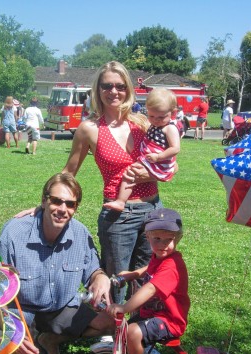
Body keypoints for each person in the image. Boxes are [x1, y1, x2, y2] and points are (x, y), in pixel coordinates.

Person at [16, 61, 165, 305]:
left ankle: (139, 330)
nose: (113, 92)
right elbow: (69, 172)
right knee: (116, 278)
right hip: (120, 217)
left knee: (147, 274)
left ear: (128, 89)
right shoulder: (89, 129)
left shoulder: (143, 123)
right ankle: (110, 331)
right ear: (98, 90)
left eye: (119, 86)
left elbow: (172, 166)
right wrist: (44, 204)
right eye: (107, 86)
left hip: (153, 209)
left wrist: (148, 175)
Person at [0, 173, 115, 354]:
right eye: (56, 201)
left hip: (59, 310)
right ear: (44, 201)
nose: (63, 209)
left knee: (110, 321)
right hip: (18, 314)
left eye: (70, 204)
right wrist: (15, 335)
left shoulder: (80, 234)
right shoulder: (14, 233)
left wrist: (101, 278)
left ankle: (48, 340)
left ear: (76, 207)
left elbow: (94, 271)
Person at [105, 208, 190, 354]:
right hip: (152, 313)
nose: (162, 245)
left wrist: (125, 307)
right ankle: (142, 347)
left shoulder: (172, 266)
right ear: (148, 237)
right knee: (126, 329)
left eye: (169, 240)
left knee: (133, 332)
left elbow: (150, 288)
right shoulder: (159, 256)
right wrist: (133, 274)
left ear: (178, 239)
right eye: (157, 239)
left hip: (169, 320)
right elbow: (150, 269)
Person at [103, 88, 180, 212]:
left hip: (159, 160)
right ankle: (121, 201)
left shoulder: (169, 128)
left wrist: (158, 157)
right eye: (151, 116)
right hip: (150, 158)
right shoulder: (154, 125)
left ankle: (120, 201)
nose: (156, 120)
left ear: (173, 113)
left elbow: (175, 148)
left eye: (161, 117)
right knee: (131, 172)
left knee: (130, 173)